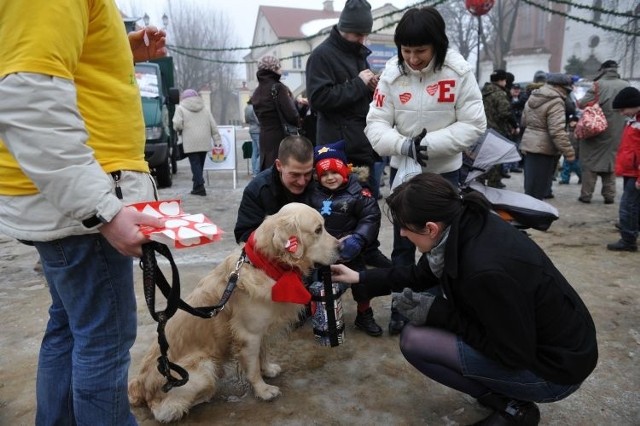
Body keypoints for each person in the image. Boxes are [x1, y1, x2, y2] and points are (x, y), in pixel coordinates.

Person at [0, 2, 167, 423]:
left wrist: (116, 51)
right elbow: (29, 93)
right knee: (103, 340)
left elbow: (43, 62)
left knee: (71, 327)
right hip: (83, 196)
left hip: (69, 194)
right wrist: (103, 210)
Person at [330, 172, 598, 426]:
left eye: (404, 228)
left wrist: (438, 313)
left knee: (415, 341)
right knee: (424, 328)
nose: (401, 234)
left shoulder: (484, 272)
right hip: (557, 345)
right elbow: (420, 274)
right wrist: (360, 278)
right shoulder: (464, 221)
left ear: (431, 228)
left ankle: (513, 407)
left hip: (554, 372)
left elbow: (512, 353)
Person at [364, 6, 486, 333]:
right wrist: (404, 146)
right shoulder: (391, 74)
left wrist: (428, 145)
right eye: (407, 51)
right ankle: (402, 307)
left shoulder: (458, 73)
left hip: (443, 175)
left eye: (421, 50)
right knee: (404, 242)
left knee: (443, 243)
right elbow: (375, 125)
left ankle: (436, 307)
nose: (414, 58)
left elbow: (474, 124)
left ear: (437, 45)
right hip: (403, 173)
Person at [305, 0, 391, 272]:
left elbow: (355, 95)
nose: (361, 39)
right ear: (343, 28)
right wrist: (358, 83)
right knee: (338, 208)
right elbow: (318, 99)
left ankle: (366, 250)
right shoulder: (322, 56)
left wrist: (370, 86)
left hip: (361, 143)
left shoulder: (357, 53)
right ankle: (333, 258)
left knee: (366, 203)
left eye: (364, 34)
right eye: (357, 34)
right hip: (337, 151)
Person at [309, 141, 386, 336]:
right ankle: (312, 310)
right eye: (324, 174)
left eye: (334, 172)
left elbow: (370, 217)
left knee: (362, 284)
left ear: (345, 170)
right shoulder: (312, 193)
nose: (330, 178)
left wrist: (359, 239)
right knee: (315, 281)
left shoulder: (359, 193)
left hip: (350, 249)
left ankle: (364, 313)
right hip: (321, 250)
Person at [234, 135, 315, 244]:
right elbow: (244, 235)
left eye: (307, 173)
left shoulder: (321, 183)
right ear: (279, 165)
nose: (302, 181)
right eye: (295, 175)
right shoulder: (257, 190)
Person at [577, 60, 629, 204]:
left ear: (603, 70)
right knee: (610, 162)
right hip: (617, 131)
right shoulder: (625, 85)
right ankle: (609, 195)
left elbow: (582, 103)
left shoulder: (598, 84)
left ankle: (586, 195)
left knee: (590, 162)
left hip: (596, 130)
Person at [520, 73, 576, 200]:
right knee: (539, 189)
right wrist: (569, 152)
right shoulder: (556, 101)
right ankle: (534, 217)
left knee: (530, 188)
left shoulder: (533, 95)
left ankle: (527, 214)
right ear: (557, 86)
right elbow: (557, 131)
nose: (566, 93)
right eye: (566, 89)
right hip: (544, 149)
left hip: (529, 145)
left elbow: (524, 121)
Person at [251, 55, 300, 172]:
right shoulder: (278, 88)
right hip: (280, 137)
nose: (281, 70)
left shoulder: (257, 91)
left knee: (268, 171)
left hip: (264, 136)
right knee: (282, 170)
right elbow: (292, 115)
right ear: (273, 69)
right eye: (279, 67)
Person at [606, 87, 640, 252]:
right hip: (631, 170)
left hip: (636, 172)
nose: (621, 113)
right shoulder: (634, 119)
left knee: (628, 206)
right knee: (633, 205)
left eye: (623, 109)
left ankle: (628, 239)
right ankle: (631, 230)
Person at [173, 89, 222, 196]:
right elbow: (213, 125)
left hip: (190, 141)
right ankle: (196, 187)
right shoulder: (204, 108)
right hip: (204, 140)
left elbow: (177, 124)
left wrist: (180, 129)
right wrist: (217, 140)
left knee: (195, 165)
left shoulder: (180, 108)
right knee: (200, 165)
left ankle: (200, 186)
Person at [481, 69, 519, 188]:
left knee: (483, 156)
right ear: (502, 80)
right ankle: (494, 181)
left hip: (483, 128)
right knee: (495, 157)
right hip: (497, 129)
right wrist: (514, 125)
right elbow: (505, 112)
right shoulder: (499, 93)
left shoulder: (484, 91)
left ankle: (479, 180)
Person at [558, 114, 582, 185]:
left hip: (576, 154)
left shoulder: (578, 132)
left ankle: (582, 178)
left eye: (574, 122)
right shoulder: (566, 131)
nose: (572, 123)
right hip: (567, 153)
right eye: (571, 122)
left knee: (578, 168)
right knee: (565, 168)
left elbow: (581, 143)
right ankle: (565, 179)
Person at [244, 99, 261, 177]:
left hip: (251, 129)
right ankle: (256, 172)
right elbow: (258, 120)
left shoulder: (247, 108)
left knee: (254, 152)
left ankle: (254, 171)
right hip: (258, 130)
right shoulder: (254, 108)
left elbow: (246, 120)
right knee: (261, 152)